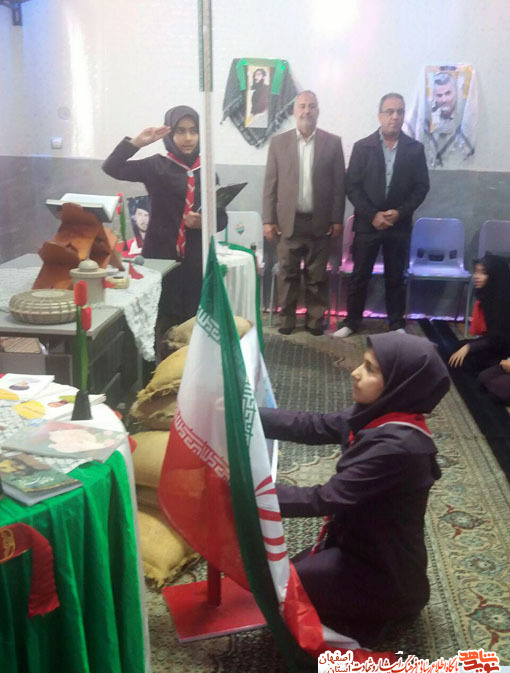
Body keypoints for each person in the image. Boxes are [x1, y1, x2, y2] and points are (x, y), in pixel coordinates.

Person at [259, 331, 450, 644]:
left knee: (278, 588)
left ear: (401, 383)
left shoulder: (399, 447)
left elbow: (325, 498)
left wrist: (252, 494)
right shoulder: (379, 413)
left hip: (381, 570)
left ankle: (384, 611)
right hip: (356, 543)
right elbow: (314, 424)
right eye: (363, 363)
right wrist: (249, 415)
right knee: (280, 577)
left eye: (370, 369)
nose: (355, 372)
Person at [102, 106, 228, 335]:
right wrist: (138, 142)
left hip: (195, 258)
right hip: (160, 256)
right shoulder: (155, 166)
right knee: (159, 317)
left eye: (193, 131)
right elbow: (111, 167)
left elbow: (221, 218)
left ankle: (187, 359)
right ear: (170, 134)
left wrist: (203, 222)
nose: (188, 138)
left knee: (194, 321)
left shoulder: (208, 172)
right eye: (180, 131)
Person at [335, 93, 429, 338]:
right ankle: (351, 322)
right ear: (379, 115)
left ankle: (396, 323)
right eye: (389, 111)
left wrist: (400, 212)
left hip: (398, 225)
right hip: (368, 224)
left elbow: (421, 187)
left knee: (396, 277)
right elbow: (352, 186)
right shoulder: (362, 147)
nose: (395, 117)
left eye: (400, 111)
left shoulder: (415, 149)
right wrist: (372, 215)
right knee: (359, 276)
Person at [262, 90, 345, 335]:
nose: (306, 111)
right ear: (294, 111)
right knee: (286, 274)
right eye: (302, 106)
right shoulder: (278, 143)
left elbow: (339, 186)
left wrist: (336, 219)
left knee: (317, 276)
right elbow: (270, 184)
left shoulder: (333, 143)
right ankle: (286, 320)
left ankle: (315, 321)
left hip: (319, 223)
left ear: (318, 111)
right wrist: (268, 220)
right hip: (287, 223)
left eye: (311, 106)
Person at [448, 253, 510, 373]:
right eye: (476, 272)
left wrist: (470, 347)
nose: (476, 276)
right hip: (495, 344)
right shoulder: (489, 296)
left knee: (466, 358)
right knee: (456, 348)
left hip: (504, 351)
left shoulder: (503, 302)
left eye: (483, 273)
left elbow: (498, 339)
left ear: (495, 276)